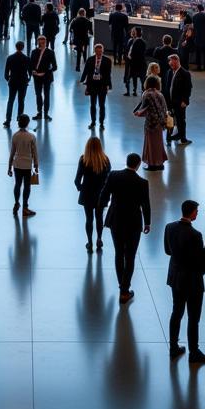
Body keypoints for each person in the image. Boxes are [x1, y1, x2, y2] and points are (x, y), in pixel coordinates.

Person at [164, 200, 205, 364]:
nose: (197, 213)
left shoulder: (169, 227)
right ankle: (194, 352)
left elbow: (167, 250)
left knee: (176, 312)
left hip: (176, 277)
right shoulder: (195, 234)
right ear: (191, 212)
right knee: (193, 317)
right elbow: (200, 259)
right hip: (192, 280)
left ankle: (173, 347)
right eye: (196, 211)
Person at [99, 153, 151, 304]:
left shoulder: (114, 175)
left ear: (126, 162)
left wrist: (101, 208)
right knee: (130, 256)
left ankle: (122, 287)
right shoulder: (142, 182)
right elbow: (145, 205)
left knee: (118, 253)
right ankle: (124, 290)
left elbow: (104, 194)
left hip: (116, 219)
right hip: (133, 222)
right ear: (138, 164)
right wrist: (147, 223)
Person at [74, 137, 111, 253]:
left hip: (87, 194)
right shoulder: (105, 160)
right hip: (101, 194)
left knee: (89, 219)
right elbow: (108, 179)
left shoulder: (84, 160)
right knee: (99, 217)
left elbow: (77, 180)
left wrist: (82, 189)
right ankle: (99, 239)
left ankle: (89, 242)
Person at [134, 71, 169, 171]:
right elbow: (164, 108)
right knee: (159, 143)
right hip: (160, 123)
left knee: (150, 144)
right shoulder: (160, 94)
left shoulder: (147, 94)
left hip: (151, 123)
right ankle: (160, 163)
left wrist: (138, 113)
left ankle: (152, 164)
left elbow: (144, 109)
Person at [7, 114, 39, 217]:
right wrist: (36, 164)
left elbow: (12, 152)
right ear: (28, 123)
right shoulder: (31, 136)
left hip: (17, 164)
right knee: (27, 186)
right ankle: (25, 207)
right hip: (27, 165)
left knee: (17, 184)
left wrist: (9, 166)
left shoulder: (15, 136)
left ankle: (16, 203)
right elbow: (35, 152)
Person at [80, 43, 113, 130]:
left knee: (102, 105)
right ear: (95, 51)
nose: (99, 54)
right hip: (92, 85)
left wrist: (109, 85)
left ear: (102, 51)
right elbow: (86, 71)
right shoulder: (90, 60)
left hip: (102, 85)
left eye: (100, 52)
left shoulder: (107, 61)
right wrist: (82, 80)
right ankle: (93, 122)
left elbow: (109, 74)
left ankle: (101, 123)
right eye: (97, 52)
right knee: (92, 105)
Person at [3, 40, 31, 127]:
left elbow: (6, 73)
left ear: (16, 47)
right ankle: (20, 119)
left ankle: (8, 120)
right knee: (21, 101)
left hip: (13, 81)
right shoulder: (26, 58)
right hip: (23, 81)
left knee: (10, 100)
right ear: (23, 48)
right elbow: (30, 72)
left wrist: (9, 80)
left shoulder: (10, 58)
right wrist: (27, 80)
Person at [29, 35, 57, 121]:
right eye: (40, 42)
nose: (42, 44)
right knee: (38, 95)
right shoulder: (34, 52)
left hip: (46, 77)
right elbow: (31, 64)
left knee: (47, 95)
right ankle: (39, 113)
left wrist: (46, 72)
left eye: (43, 42)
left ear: (45, 42)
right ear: (38, 43)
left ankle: (46, 113)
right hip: (36, 77)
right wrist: (33, 71)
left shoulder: (50, 52)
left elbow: (55, 67)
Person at [167, 54, 193, 146]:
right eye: (170, 63)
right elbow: (168, 87)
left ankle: (183, 139)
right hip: (170, 101)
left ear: (177, 61)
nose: (171, 65)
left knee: (181, 120)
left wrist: (185, 101)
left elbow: (188, 89)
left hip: (180, 102)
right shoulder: (170, 72)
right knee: (170, 120)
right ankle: (170, 138)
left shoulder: (185, 73)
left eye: (172, 63)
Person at [125, 25, 147, 96]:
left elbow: (140, 54)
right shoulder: (131, 40)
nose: (132, 32)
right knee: (129, 77)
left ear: (137, 32)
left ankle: (142, 92)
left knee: (141, 78)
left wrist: (132, 58)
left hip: (138, 63)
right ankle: (130, 91)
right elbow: (127, 50)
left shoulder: (141, 42)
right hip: (130, 62)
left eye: (133, 31)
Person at [70, 7, 93, 72]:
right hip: (85, 37)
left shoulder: (74, 20)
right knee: (85, 50)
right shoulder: (88, 21)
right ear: (84, 13)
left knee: (79, 52)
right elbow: (91, 32)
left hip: (77, 38)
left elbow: (70, 29)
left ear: (78, 13)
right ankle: (85, 63)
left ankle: (77, 66)